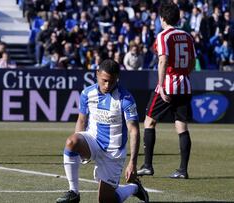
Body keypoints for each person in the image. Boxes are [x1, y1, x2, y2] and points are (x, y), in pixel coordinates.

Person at [56, 59, 149, 203]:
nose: (107, 85)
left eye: (112, 81)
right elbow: (81, 120)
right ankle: (74, 192)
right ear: (97, 74)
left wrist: (133, 163)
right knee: (71, 142)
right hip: (93, 140)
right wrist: (79, 144)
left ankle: (134, 188)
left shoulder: (126, 99)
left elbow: (134, 131)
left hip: (113, 152)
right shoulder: (87, 93)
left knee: (106, 200)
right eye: (104, 80)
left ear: (117, 78)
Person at [137, 1, 196, 179]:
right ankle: (183, 170)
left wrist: (161, 86)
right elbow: (193, 61)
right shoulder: (187, 36)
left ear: (162, 18)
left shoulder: (164, 36)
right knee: (181, 126)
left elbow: (163, 61)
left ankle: (147, 166)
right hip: (185, 85)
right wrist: (184, 75)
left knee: (149, 122)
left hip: (169, 85)